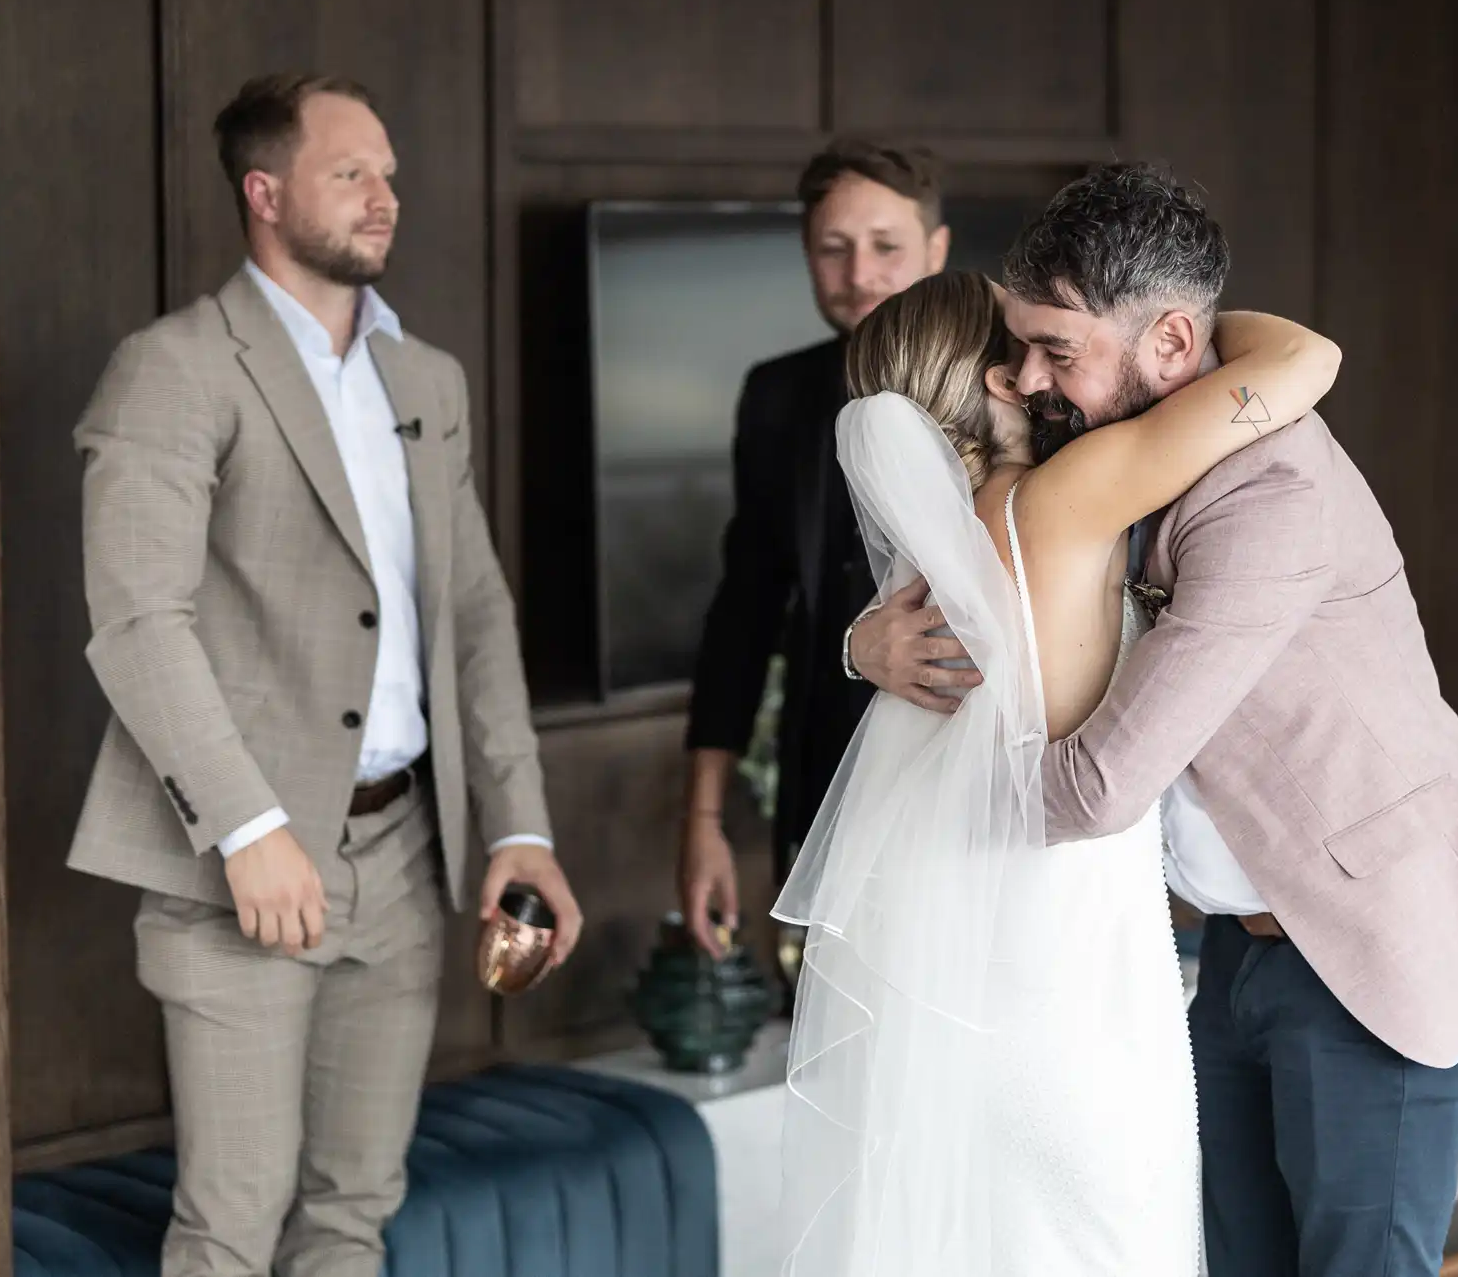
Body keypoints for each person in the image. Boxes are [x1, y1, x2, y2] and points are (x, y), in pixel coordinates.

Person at [848, 163, 1458, 1277]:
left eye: (1057, 352)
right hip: (1231, 952)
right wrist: (863, 645)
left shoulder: (1262, 490)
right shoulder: (1106, 458)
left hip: (1363, 951)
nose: (1026, 378)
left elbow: (1097, 785)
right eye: (1021, 345)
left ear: (1174, 345)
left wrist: (959, 830)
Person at [68, 72, 583, 1277]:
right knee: (230, 1230)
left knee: (353, 1214)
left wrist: (520, 825)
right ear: (264, 192)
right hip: (241, 871)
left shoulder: (427, 381)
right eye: (350, 171)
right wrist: (248, 824)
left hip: (405, 857)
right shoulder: (174, 368)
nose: (384, 194)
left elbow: (472, 611)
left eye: (388, 171)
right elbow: (138, 620)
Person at [775, 248, 1343, 1274]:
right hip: (1068, 984)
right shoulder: (1063, 498)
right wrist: (1173, 320)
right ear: (1002, 380)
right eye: (1034, 345)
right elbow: (1303, 359)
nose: (1051, 365)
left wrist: (859, 645)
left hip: (965, 983)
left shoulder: (924, 563)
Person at [677, 139, 950, 955]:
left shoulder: (1013, 381)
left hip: (967, 793)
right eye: (833, 248)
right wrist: (701, 818)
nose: (859, 273)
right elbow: (743, 613)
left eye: (886, 247)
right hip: (825, 784)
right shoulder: (777, 396)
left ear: (936, 250)